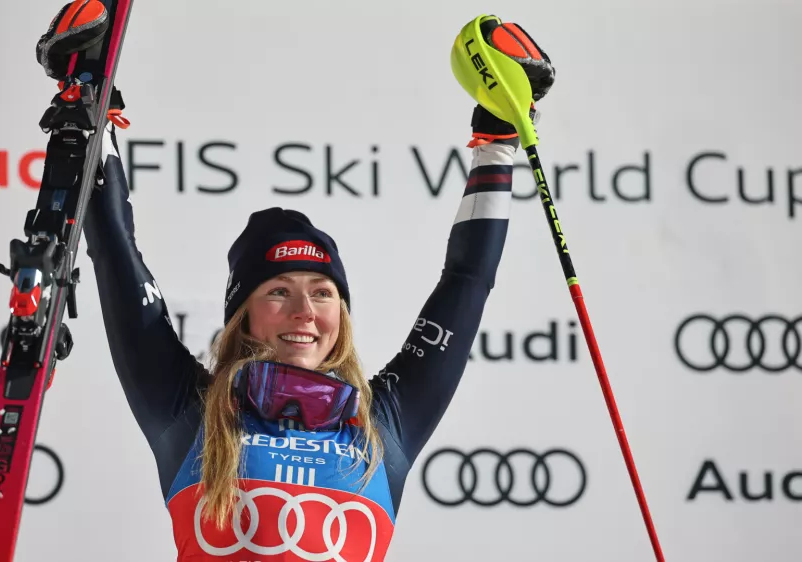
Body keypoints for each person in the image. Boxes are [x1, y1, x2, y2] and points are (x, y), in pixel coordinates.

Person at [80, 20, 555, 562]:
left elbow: (467, 281)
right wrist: (94, 111)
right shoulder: (193, 414)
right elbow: (115, 256)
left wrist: (497, 142)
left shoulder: (382, 427)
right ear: (243, 314)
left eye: (323, 293)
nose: (304, 311)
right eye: (278, 291)